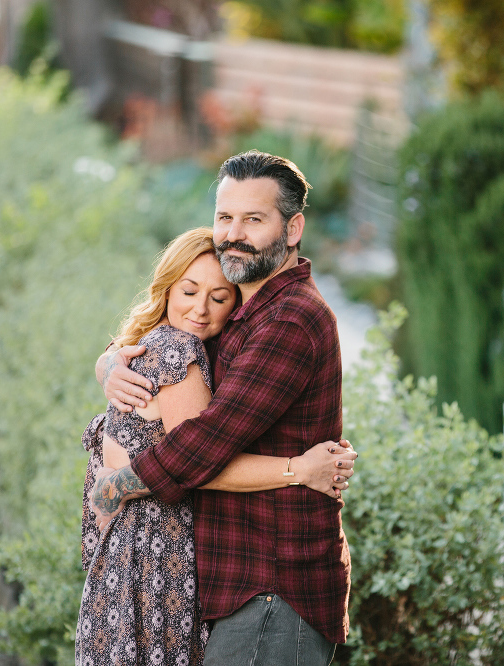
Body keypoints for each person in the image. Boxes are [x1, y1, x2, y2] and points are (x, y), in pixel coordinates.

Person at [91, 151, 351, 666]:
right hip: (236, 586)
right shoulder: (240, 311)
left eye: (253, 220)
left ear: (293, 228)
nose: (233, 233)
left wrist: (114, 485)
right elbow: (169, 358)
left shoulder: (289, 322)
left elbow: (199, 446)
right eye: (224, 217)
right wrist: (109, 365)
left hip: (274, 586)